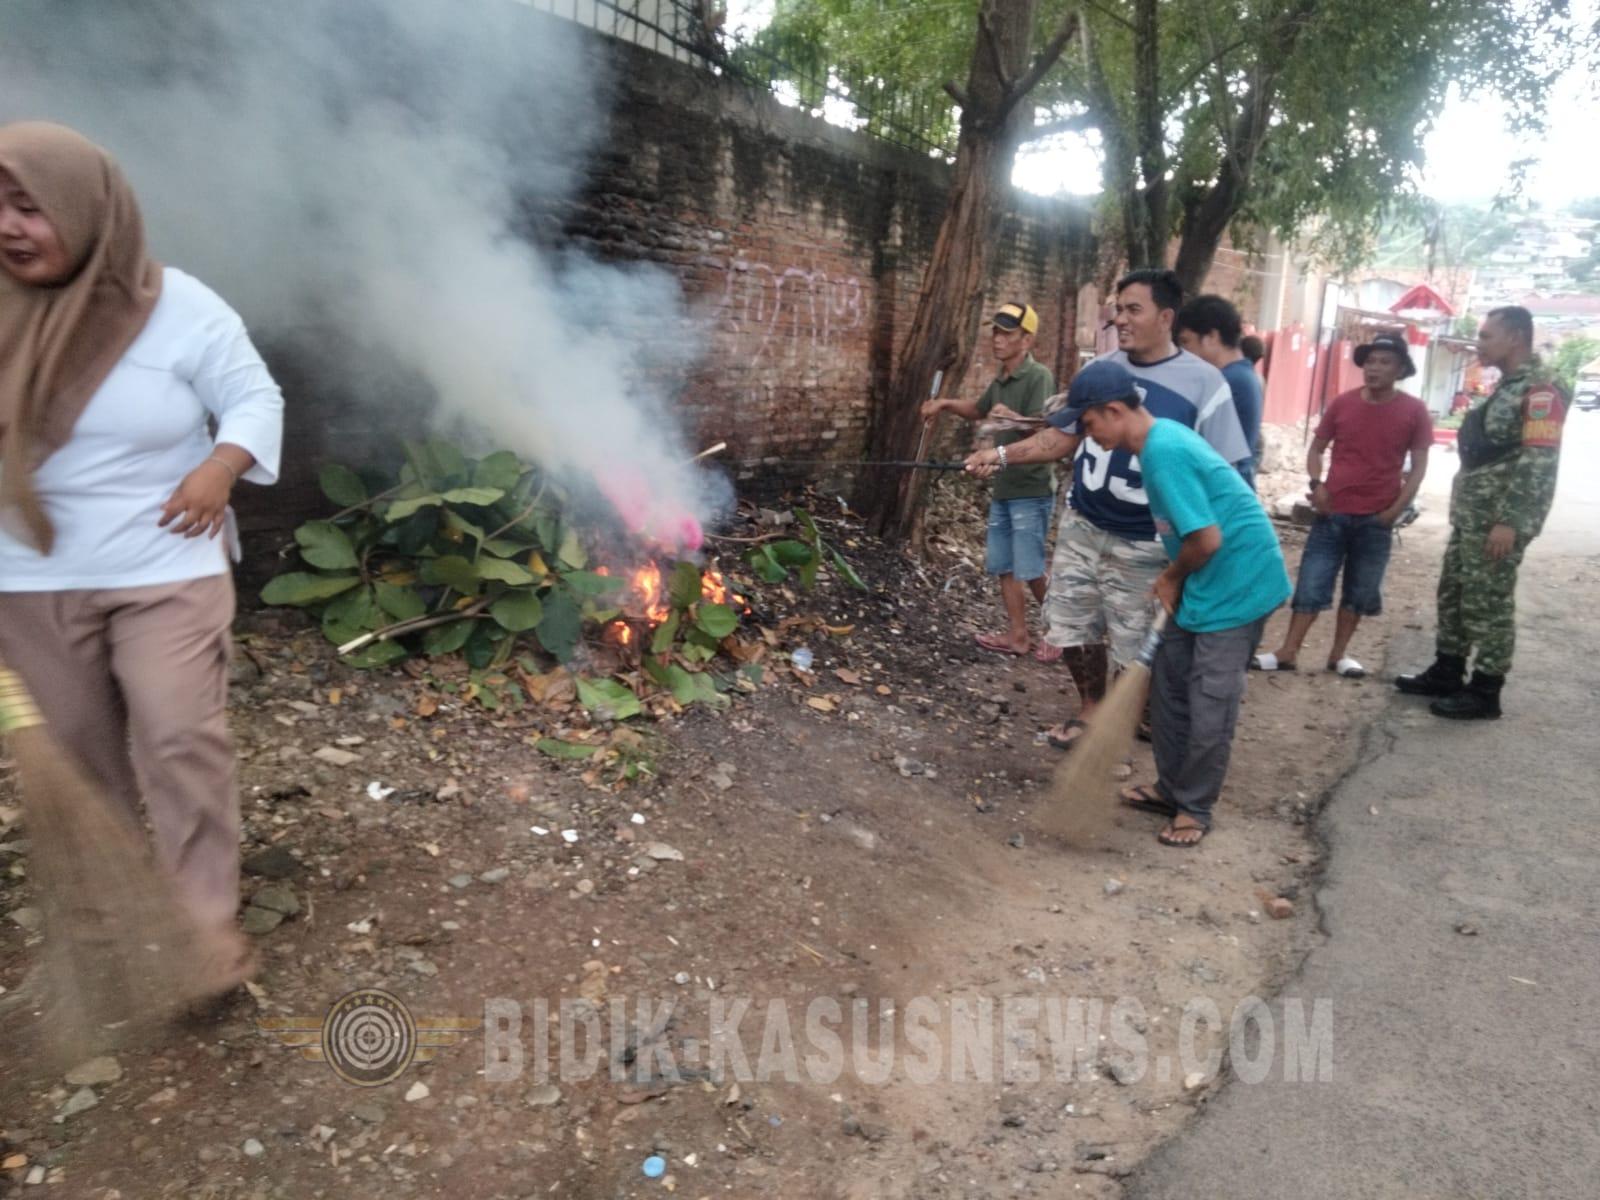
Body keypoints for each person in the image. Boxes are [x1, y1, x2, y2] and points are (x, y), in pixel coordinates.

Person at [0, 122, 284, 999]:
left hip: (167, 563)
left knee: (177, 733)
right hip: (27, 576)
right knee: (81, 757)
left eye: (28, 205)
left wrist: (218, 466)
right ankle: (123, 912)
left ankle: (204, 924)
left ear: (88, 210)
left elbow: (250, 395)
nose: (8, 225)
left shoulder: (180, 307)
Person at [964, 269, 1252, 750]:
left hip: (1147, 539)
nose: (1121, 318)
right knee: (1070, 625)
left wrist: (1207, 553)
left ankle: (1124, 723)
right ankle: (1092, 707)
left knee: (1134, 641)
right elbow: (1062, 437)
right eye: (1118, 309)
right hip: (1083, 523)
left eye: (1133, 309)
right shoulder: (1103, 369)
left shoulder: (1205, 384)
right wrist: (1000, 456)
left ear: (1165, 317)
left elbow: (1227, 471)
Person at [1051, 361, 1288, 845]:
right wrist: (1179, 576)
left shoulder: (1163, 453)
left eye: (1089, 423)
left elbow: (1207, 538)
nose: (1087, 435)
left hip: (1239, 583)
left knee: (1209, 700)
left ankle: (1195, 809)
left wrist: (1170, 577)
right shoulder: (1155, 443)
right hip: (1205, 578)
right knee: (1170, 687)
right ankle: (1170, 787)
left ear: (1114, 411)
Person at [1395, 306, 1564, 719]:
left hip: (1498, 519)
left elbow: (1538, 462)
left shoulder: (1540, 389)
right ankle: (1448, 670)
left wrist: (1510, 521)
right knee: (1454, 593)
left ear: (1516, 338)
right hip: (1474, 515)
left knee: (1488, 602)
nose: (1479, 343)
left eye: (1487, 336)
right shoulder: (1508, 385)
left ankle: (1486, 690)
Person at [1252, 331, 1431, 678]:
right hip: (1332, 514)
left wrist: (1394, 512)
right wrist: (1317, 485)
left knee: (1360, 591)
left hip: (1377, 519)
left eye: (1384, 362)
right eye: (1370, 361)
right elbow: (1317, 449)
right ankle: (1288, 651)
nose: (1374, 368)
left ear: (1401, 369)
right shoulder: (1343, 403)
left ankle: (1338, 655)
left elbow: (1419, 465)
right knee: (1310, 585)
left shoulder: (1414, 411)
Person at [923, 301, 1057, 660]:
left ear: (1026, 340)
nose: (997, 339)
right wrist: (945, 404)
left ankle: (1061, 633)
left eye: (1006, 333)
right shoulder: (1000, 380)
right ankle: (1017, 635)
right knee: (1004, 565)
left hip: (1031, 486)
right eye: (995, 331)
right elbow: (980, 411)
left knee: (1030, 567)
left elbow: (1047, 429)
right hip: (1004, 486)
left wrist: (1012, 418)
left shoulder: (1038, 377)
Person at [1175, 294, 1264, 490]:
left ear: (1212, 337)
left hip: (1225, 494)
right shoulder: (1242, 375)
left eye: (1186, 342)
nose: (1183, 352)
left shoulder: (1227, 381)